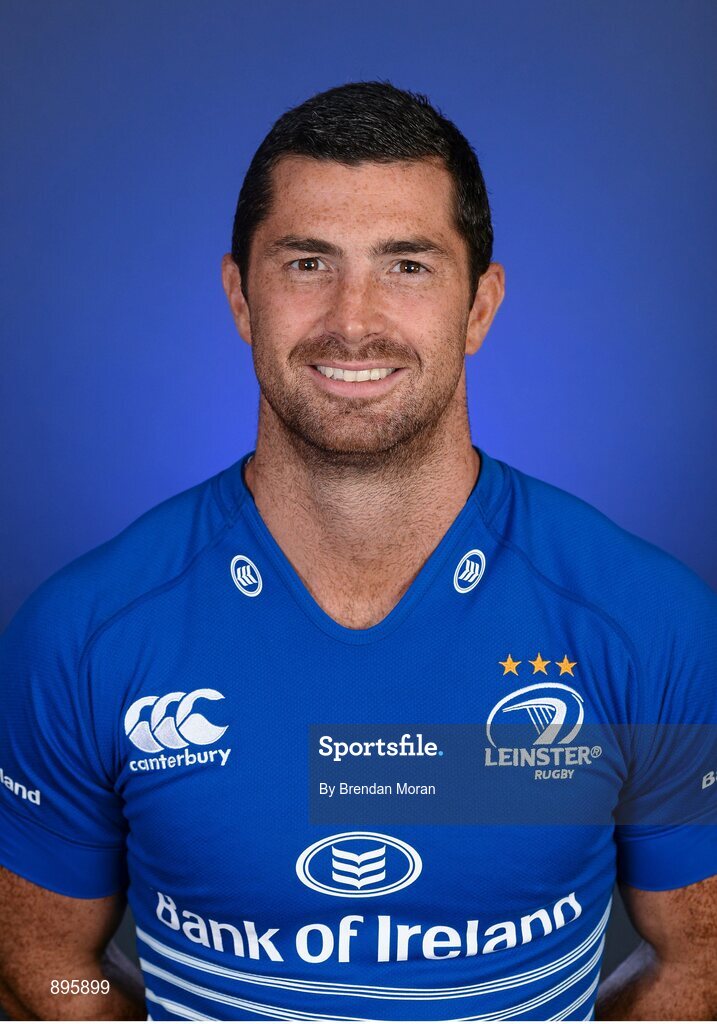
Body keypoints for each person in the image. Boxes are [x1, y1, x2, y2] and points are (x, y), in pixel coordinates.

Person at [0, 80, 715, 1023]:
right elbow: (47, 962)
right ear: (240, 297)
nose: (352, 319)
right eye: (307, 263)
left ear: (479, 306)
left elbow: (700, 956)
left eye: (407, 265)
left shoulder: (649, 625)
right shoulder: (81, 636)